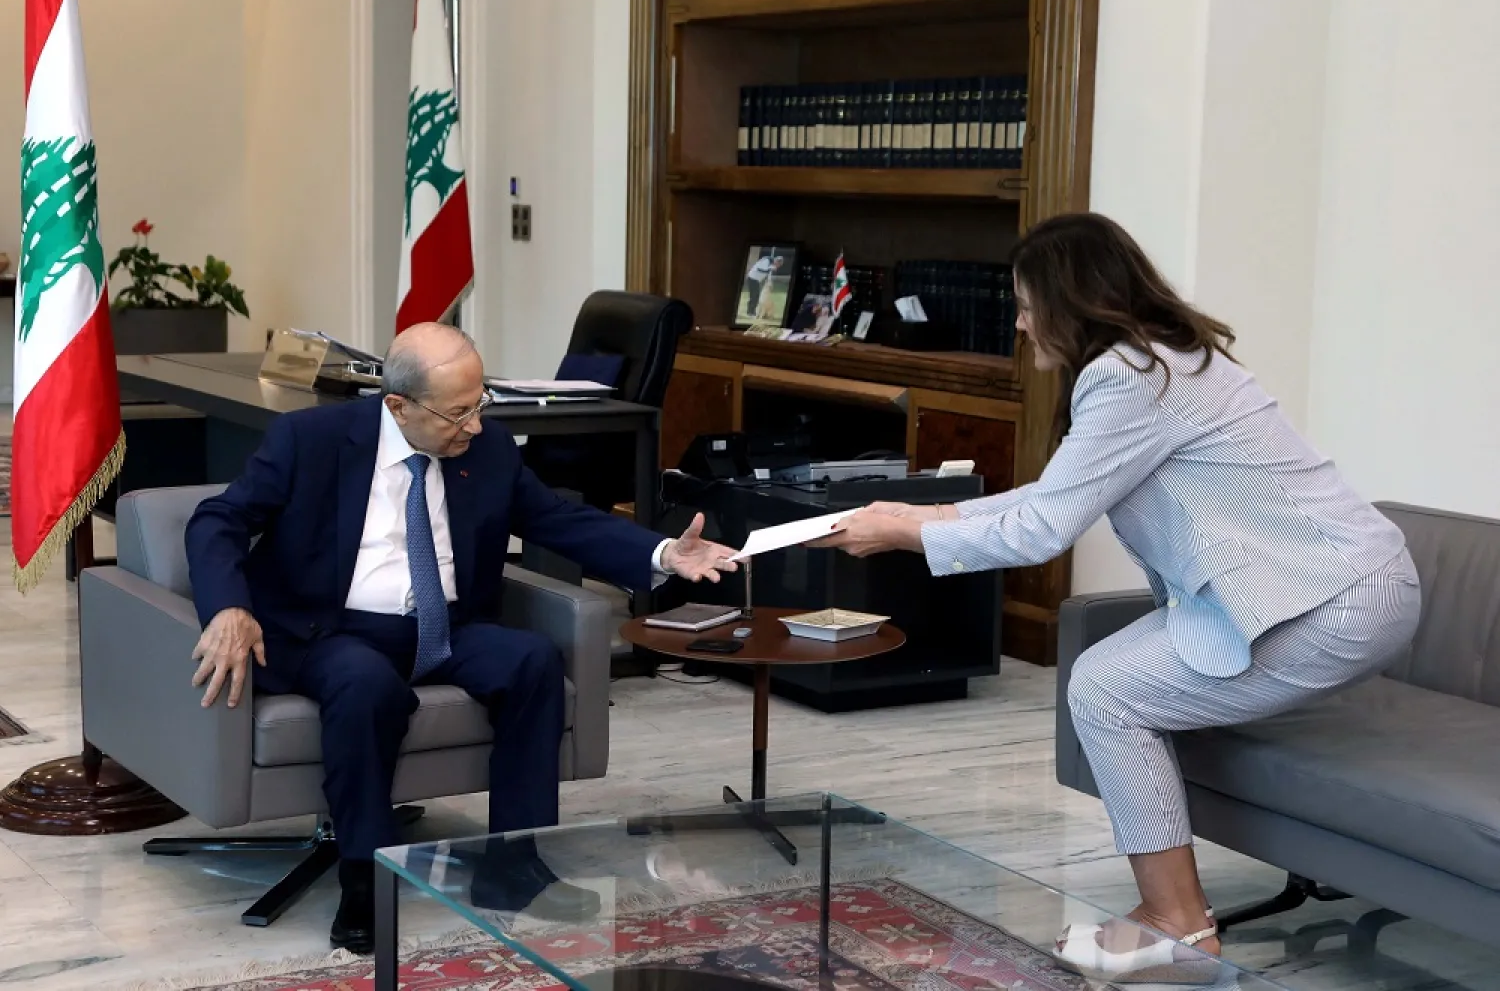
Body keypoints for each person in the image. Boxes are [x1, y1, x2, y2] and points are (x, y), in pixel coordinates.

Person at [815, 212, 1421, 984]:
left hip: (1333, 602)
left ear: (1072, 302)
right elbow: (1055, 495)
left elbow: (1042, 530)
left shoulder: (1129, 376)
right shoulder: (1162, 359)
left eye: (1029, 304)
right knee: (1107, 678)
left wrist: (903, 536)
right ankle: (1172, 915)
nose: (1023, 323)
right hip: (1347, 581)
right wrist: (922, 515)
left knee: (1103, 687)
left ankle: (1180, 925)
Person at [185, 322, 738, 954]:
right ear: (398, 406)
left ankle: (512, 866)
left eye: (481, 405)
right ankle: (364, 877)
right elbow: (219, 519)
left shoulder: (489, 449)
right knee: (365, 686)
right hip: (332, 629)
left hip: (446, 626)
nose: (474, 426)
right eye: (458, 413)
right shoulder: (309, 440)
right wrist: (228, 606)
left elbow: (558, 520)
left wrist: (664, 553)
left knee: (532, 662)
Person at [743, 253, 784, 318]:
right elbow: (760, 269)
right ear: (776, 261)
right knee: (754, 296)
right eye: (778, 265)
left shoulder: (771, 263)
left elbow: (767, 273)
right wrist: (770, 268)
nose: (777, 267)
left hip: (756, 280)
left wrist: (768, 280)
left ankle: (752, 312)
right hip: (752, 278)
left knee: (756, 296)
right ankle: (750, 313)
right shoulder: (767, 261)